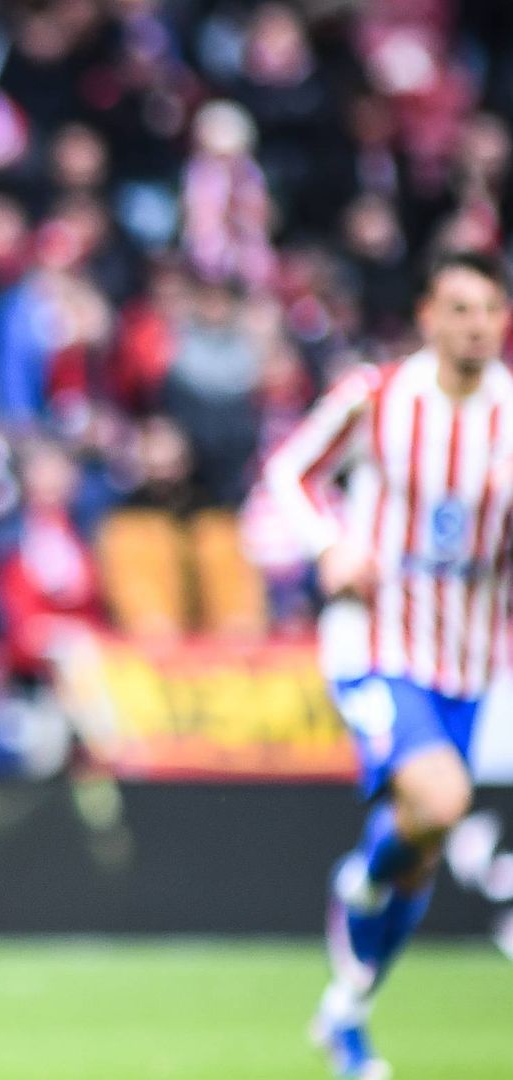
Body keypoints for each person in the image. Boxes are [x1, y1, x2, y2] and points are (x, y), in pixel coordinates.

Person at [261, 249, 513, 1079]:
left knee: (424, 840)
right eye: (462, 309)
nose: (479, 325)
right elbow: (289, 471)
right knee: (440, 797)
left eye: (490, 310)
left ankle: (348, 1011)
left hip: (471, 658)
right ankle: (360, 882)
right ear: (429, 317)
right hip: (377, 645)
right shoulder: (376, 398)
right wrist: (331, 545)